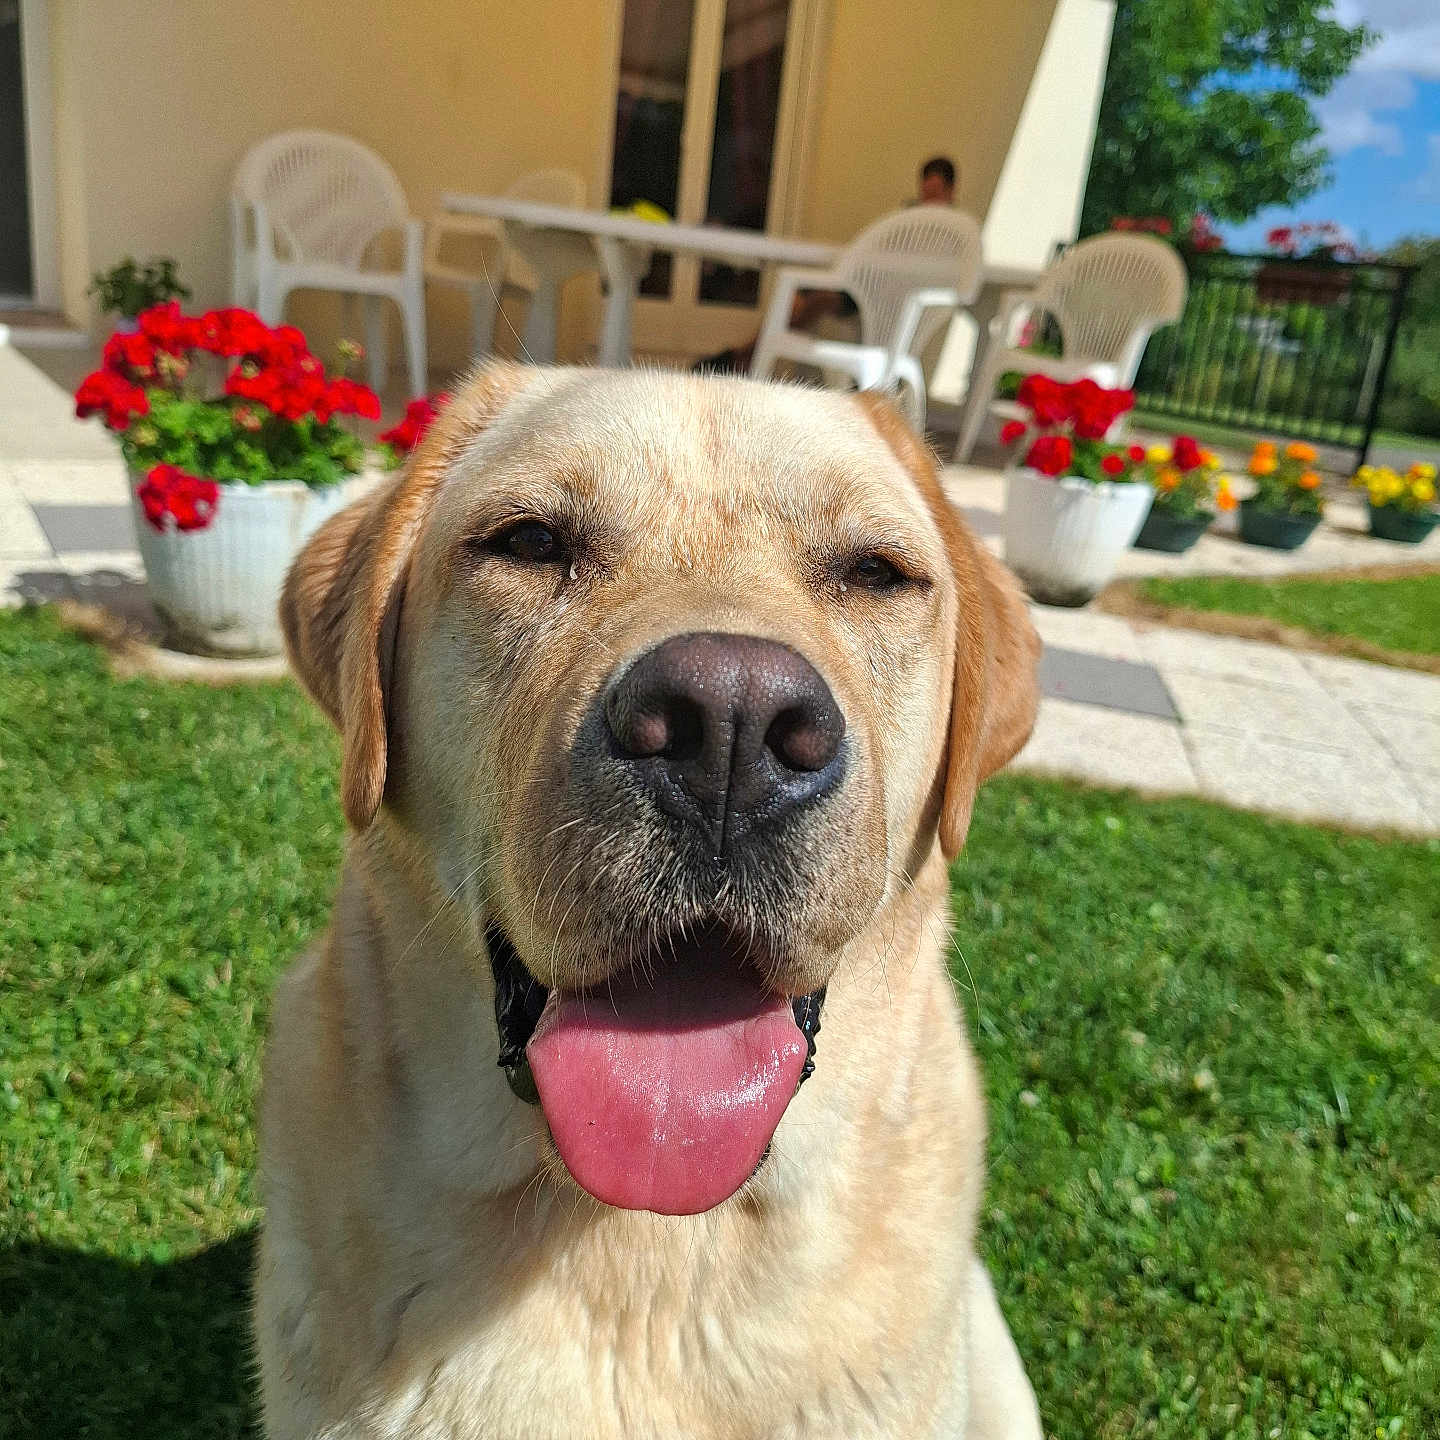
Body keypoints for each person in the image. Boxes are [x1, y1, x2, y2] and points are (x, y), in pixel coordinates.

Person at [693, 156, 959, 375]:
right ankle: (748, 356)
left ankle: (741, 356)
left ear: (949, 191)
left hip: (892, 299)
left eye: (935, 192)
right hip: (870, 287)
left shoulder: (953, 234)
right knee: (799, 296)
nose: (929, 199)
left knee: (816, 298)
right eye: (926, 191)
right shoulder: (907, 220)